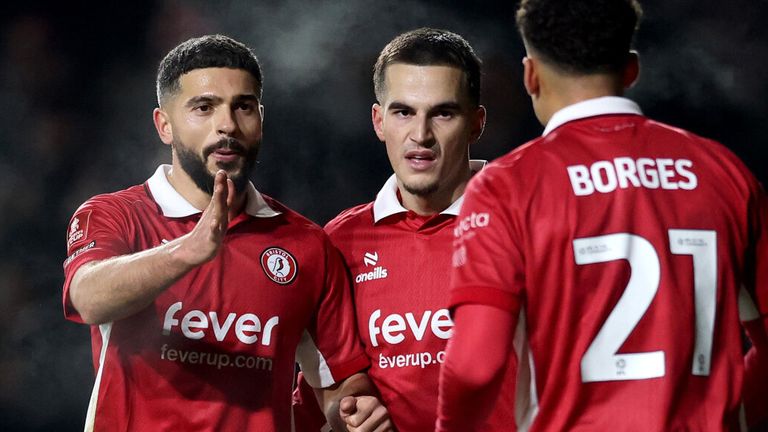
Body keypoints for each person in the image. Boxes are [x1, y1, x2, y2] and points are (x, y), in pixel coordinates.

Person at [437, 1, 768, 431]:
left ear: (530, 75)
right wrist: (733, 415)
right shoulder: (722, 172)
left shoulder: (509, 186)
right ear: (631, 70)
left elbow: (474, 366)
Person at [61, 34, 391, 432]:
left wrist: (351, 412)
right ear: (164, 125)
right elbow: (88, 297)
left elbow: (338, 383)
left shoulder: (306, 244)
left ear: (261, 120)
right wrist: (186, 251)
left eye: (244, 107)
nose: (228, 125)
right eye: (204, 107)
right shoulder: (114, 214)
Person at [293, 28, 516, 431]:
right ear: (379, 121)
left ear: (476, 123)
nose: (421, 135)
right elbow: (318, 396)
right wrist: (344, 414)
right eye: (403, 112)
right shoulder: (339, 244)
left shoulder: (525, 222)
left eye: (443, 113)